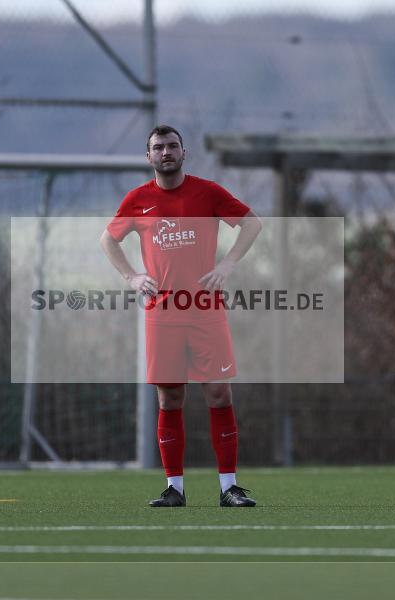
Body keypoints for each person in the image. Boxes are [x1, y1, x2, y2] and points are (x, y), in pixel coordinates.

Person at [100, 125, 262, 508]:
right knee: (169, 398)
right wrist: (132, 276)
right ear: (149, 157)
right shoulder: (138, 199)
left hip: (205, 310)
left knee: (219, 392)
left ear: (183, 153)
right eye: (159, 147)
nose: (166, 152)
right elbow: (108, 239)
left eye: (172, 146)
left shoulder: (207, 192)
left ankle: (229, 488)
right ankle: (175, 488)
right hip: (163, 313)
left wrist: (227, 265)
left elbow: (252, 223)